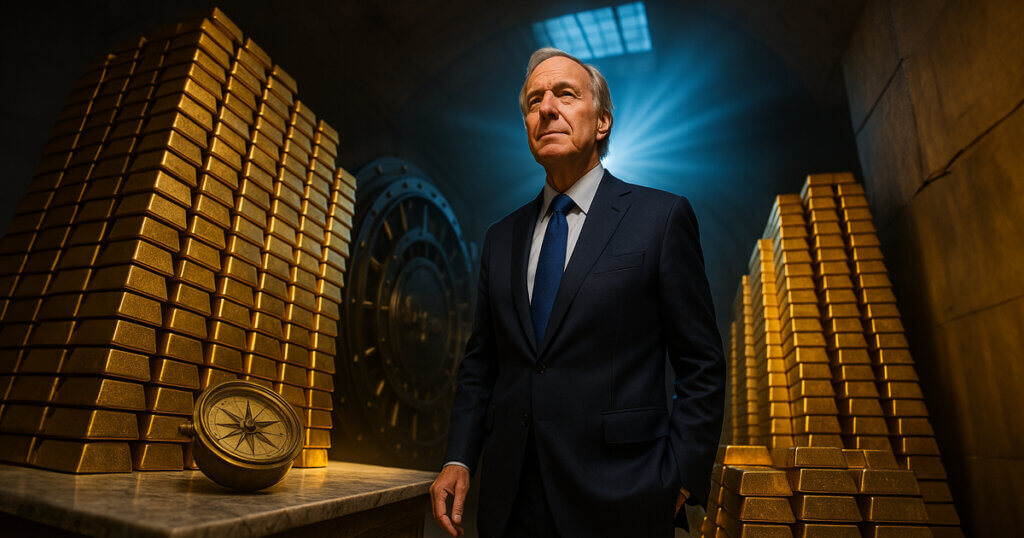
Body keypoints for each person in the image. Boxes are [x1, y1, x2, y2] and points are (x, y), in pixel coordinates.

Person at [429, 47, 725, 538]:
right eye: (533, 100)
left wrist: (679, 480)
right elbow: (481, 365)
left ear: (602, 121)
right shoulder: (501, 238)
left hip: (623, 500)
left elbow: (701, 364)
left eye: (565, 94)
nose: (547, 108)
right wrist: (459, 457)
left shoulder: (661, 218)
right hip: (510, 503)